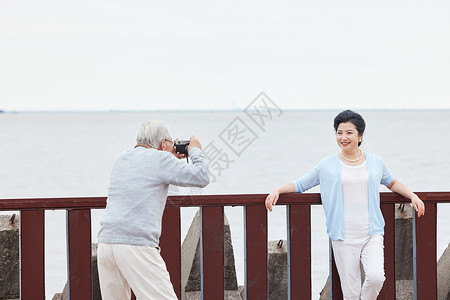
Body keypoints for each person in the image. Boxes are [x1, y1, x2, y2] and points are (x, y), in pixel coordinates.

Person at [265, 110, 425, 300]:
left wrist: (412, 195)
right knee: (350, 292)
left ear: (360, 135)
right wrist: (277, 190)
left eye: (349, 132)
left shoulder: (375, 162)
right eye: (339, 132)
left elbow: (392, 182)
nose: (343, 137)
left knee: (376, 278)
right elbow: (300, 184)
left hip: (372, 233)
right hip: (343, 236)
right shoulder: (327, 165)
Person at [97, 120, 210, 300]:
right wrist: (194, 150)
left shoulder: (122, 158)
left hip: (106, 243)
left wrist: (169, 156)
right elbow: (202, 176)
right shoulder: (160, 159)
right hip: (136, 244)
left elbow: (147, 171)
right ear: (164, 144)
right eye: (171, 143)